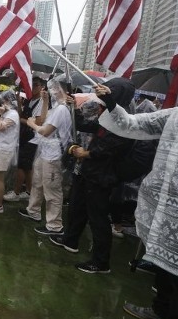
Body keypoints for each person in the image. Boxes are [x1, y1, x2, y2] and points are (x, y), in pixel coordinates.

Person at [95, 52, 178, 319]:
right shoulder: (174, 113)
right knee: (160, 263)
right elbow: (134, 124)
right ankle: (160, 311)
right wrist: (112, 105)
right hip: (160, 208)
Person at [49, 78, 135, 274]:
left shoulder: (124, 119)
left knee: (98, 219)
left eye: (110, 90)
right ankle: (70, 240)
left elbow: (117, 145)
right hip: (88, 171)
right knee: (77, 207)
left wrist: (88, 154)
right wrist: (75, 109)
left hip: (102, 176)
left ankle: (100, 262)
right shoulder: (107, 115)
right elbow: (87, 126)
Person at [18, 79, 71, 236]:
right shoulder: (55, 107)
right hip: (44, 152)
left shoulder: (62, 109)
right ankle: (33, 210)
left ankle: (54, 226)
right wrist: (45, 101)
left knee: (52, 190)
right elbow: (43, 119)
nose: (52, 91)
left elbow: (45, 130)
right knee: (37, 183)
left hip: (53, 156)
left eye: (54, 89)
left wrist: (31, 124)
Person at [4, 77, 46, 201]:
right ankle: (29, 192)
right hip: (25, 135)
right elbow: (22, 114)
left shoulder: (41, 102)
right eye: (31, 85)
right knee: (27, 167)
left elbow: (38, 122)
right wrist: (18, 101)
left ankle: (16, 193)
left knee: (22, 166)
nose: (33, 87)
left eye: (36, 85)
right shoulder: (30, 99)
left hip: (33, 137)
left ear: (42, 86)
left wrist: (21, 120)